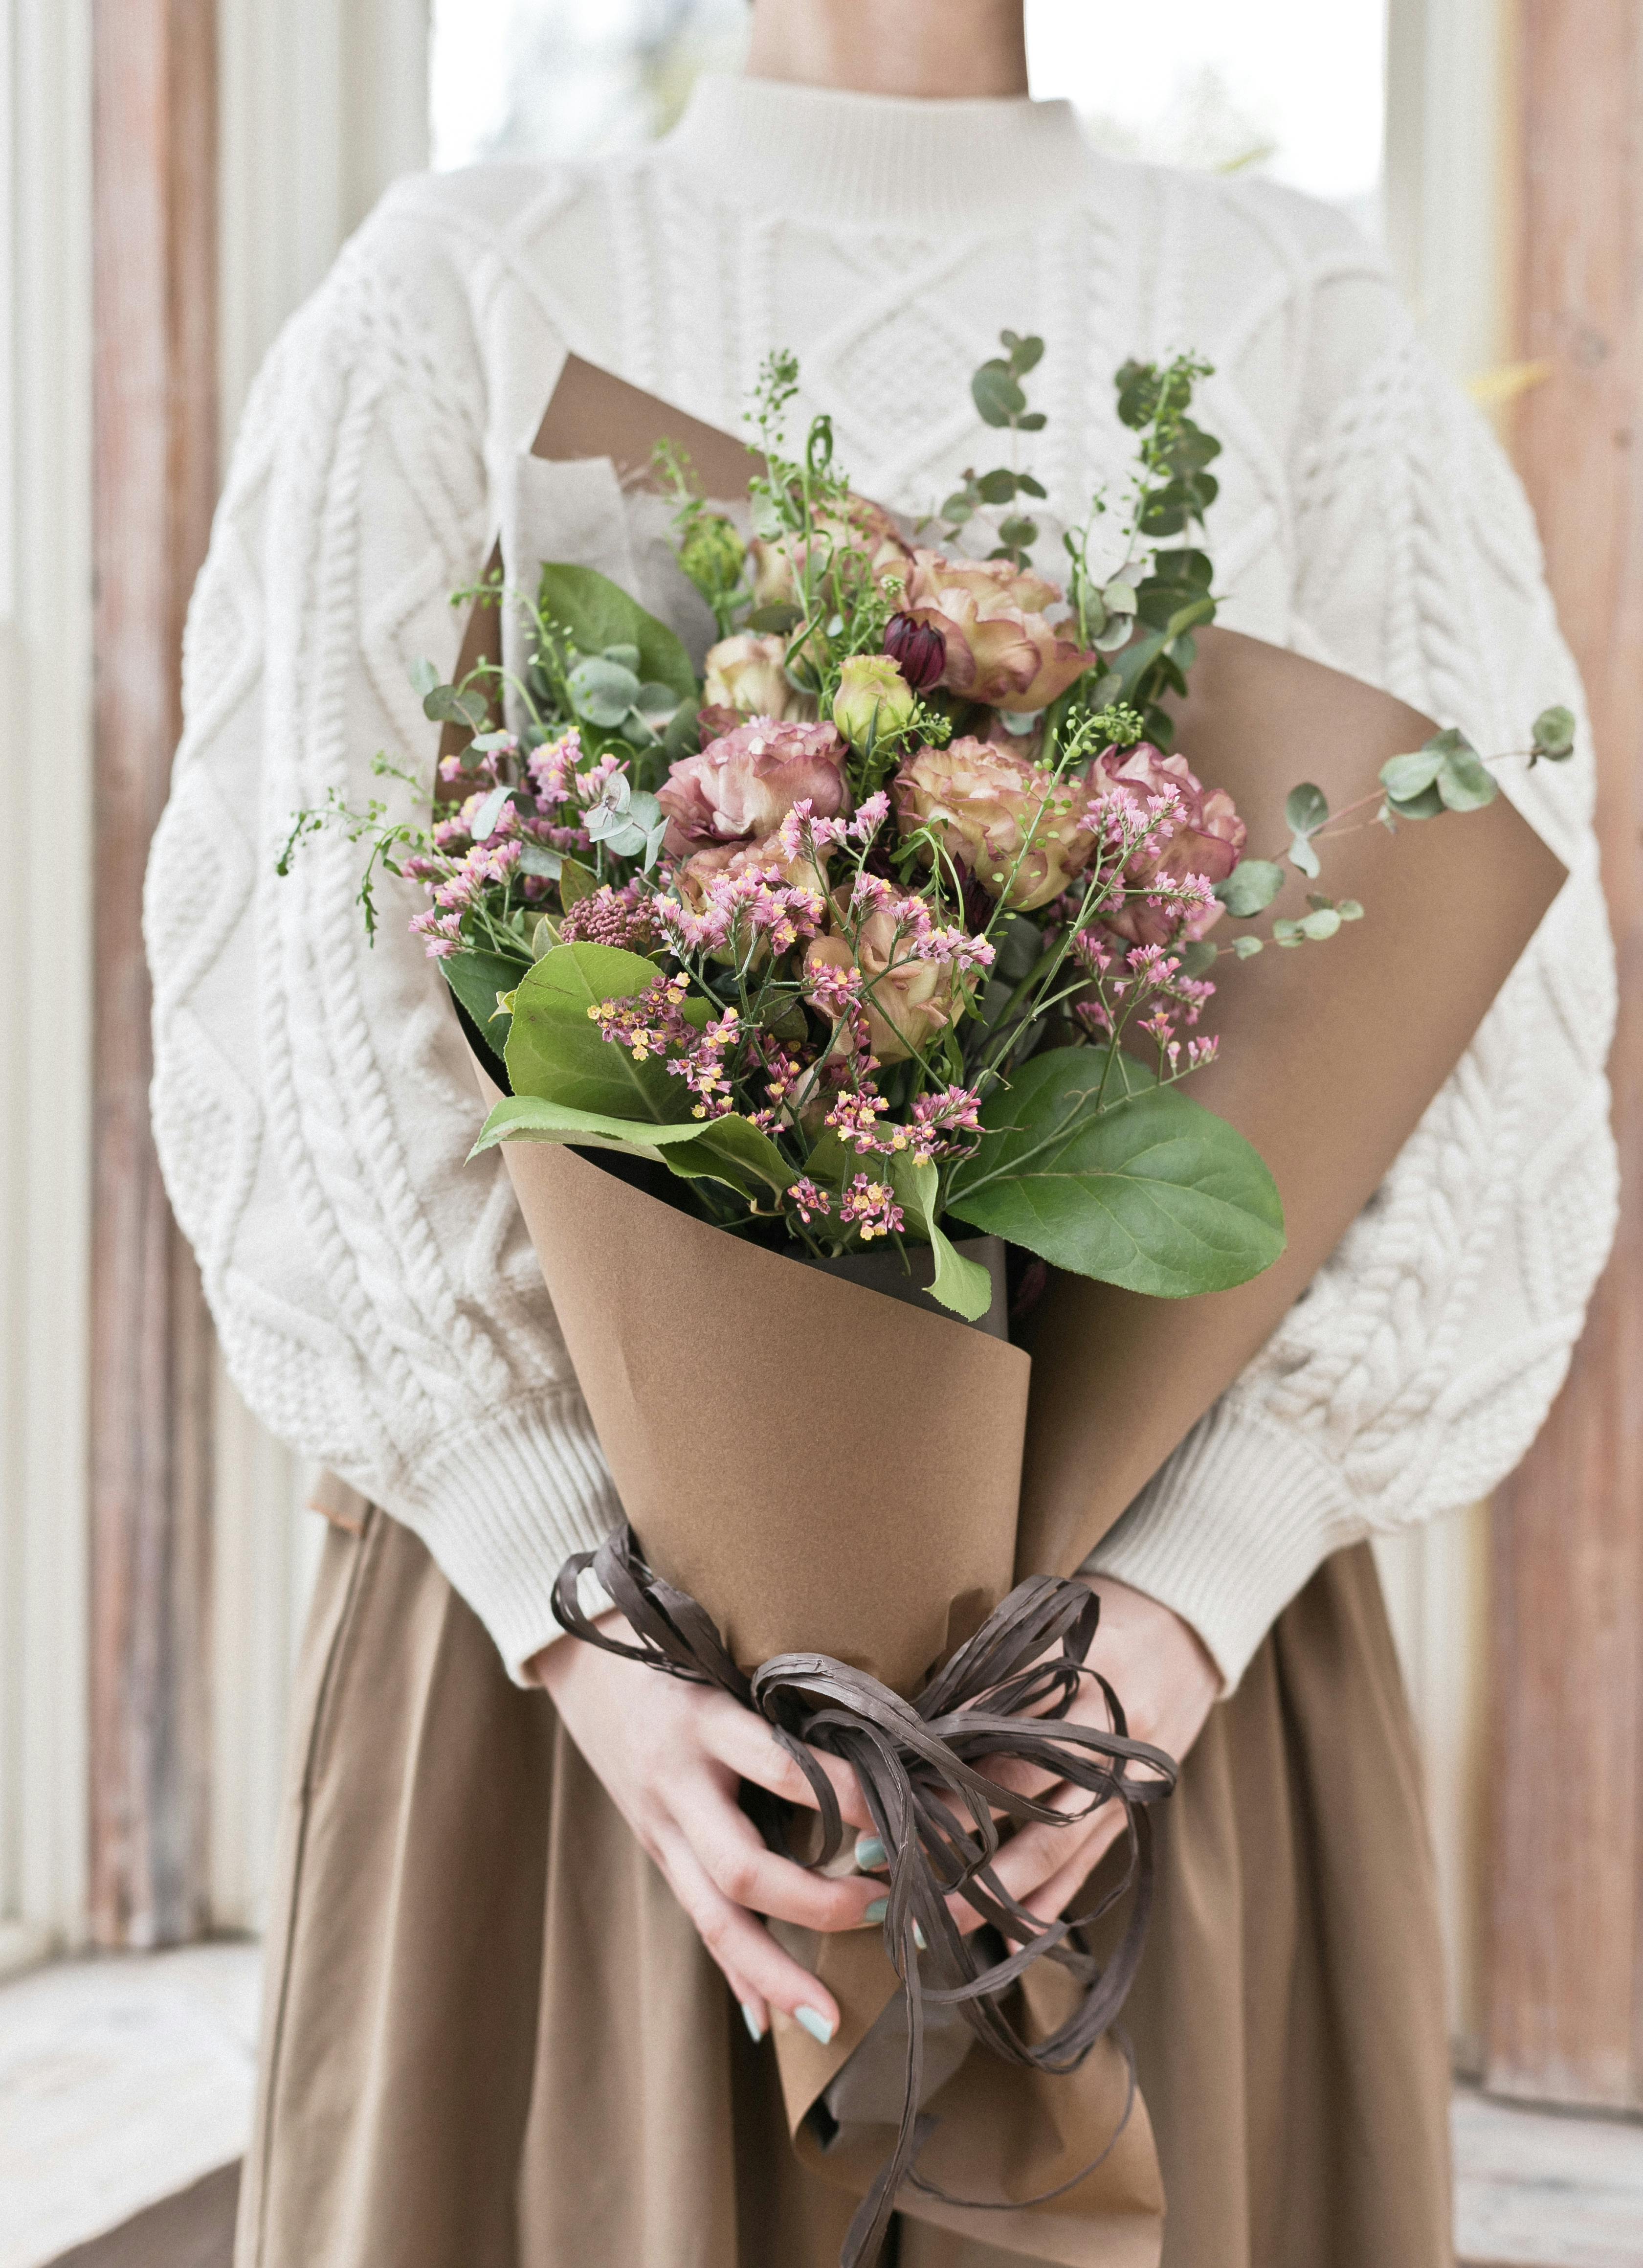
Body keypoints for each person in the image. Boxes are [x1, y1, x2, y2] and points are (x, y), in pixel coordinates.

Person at [145, 3, 1616, 2263]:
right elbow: (295, 983)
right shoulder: (454, 282)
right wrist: (573, 1590)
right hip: (589, 1742)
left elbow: (1494, 1011)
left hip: (1138, 1729)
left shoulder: (1294, 306)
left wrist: (1185, 1595)